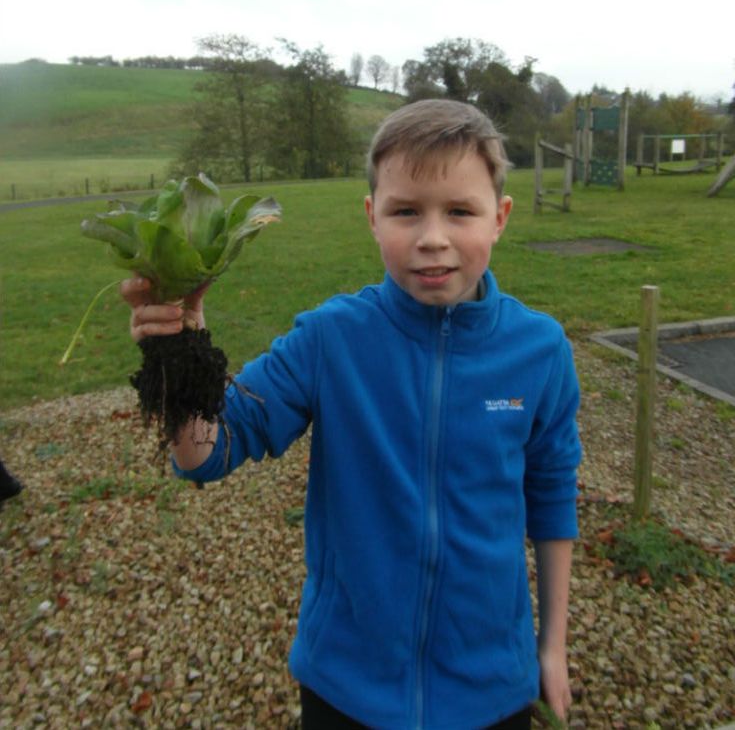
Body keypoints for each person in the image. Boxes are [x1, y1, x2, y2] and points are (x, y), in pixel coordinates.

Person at [122, 99, 581, 730]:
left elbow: (552, 496)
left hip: (492, 686)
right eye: (405, 211)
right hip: (347, 687)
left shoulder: (540, 349)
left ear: (499, 217)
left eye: (459, 211)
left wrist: (550, 648)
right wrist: (180, 349)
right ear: (372, 217)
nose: (432, 237)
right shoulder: (329, 339)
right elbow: (207, 453)